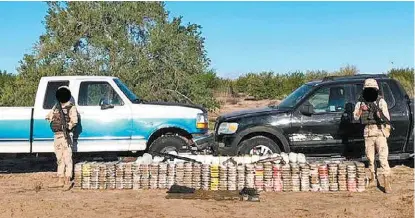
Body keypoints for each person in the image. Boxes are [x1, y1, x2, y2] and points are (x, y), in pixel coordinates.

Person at [353, 78, 392, 193]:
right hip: (368, 131)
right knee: (370, 158)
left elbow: (386, 118)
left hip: (379, 131)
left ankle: (386, 182)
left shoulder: (381, 102)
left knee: (383, 158)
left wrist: (377, 112)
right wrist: (361, 109)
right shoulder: (360, 102)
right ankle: (372, 178)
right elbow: (355, 117)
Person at [46, 86, 78, 190]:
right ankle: (60, 179)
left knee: (67, 158)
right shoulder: (56, 106)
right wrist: (53, 120)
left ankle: (67, 180)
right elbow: (48, 116)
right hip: (57, 135)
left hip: (66, 135)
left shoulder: (71, 107)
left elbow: (74, 121)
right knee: (59, 158)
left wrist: (67, 127)